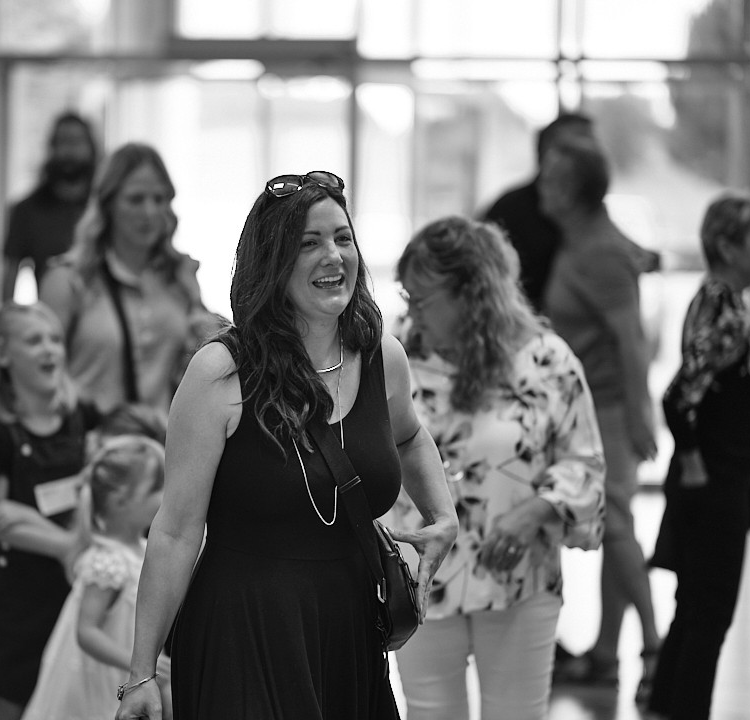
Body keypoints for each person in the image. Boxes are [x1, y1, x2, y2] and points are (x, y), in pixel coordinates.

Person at [114, 171, 459, 720]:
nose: (333, 256)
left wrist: (444, 515)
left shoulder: (380, 355)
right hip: (244, 630)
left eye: (343, 238)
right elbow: (176, 531)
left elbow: (410, 434)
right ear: (271, 262)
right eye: (309, 243)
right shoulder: (220, 373)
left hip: (350, 629)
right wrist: (141, 673)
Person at [388, 216, 606, 720]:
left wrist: (536, 511)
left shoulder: (547, 361)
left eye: (422, 299)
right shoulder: (396, 356)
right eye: (407, 298)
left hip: (519, 580)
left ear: (471, 295)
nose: (411, 312)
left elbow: (586, 462)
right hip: (421, 575)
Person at [646, 192, 750, 720]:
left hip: (711, 483)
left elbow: (713, 388)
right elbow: (679, 396)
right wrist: (697, 463)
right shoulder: (727, 316)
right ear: (728, 246)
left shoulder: (717, 301)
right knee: (710, 616)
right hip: (715, 487)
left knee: (693, 610)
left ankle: (664, 706)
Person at [539, 137, 662, 699]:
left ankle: (655, 646)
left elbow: (631, 339)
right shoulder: (586, 239)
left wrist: (639, 416)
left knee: (614, 525)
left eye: (551, 178)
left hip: (609, 409)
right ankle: (608, 654)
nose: (542, 187)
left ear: (574, 191)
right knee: (615, 528)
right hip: (588, 408)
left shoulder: (600, 252)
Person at [0, 301, 101, 720]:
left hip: (69, 584)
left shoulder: (82, 417)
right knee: (16, 697)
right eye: (35, 340)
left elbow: (97, 484)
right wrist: (65, 544)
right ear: (3, 355)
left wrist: (33, 523)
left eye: (55, 339)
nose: (50, 349)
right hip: (15, 591)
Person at [38, 142, 218, 416]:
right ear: (108, 205)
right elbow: (40, 375)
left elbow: (207, 358)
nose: (149, 212)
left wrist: (195, 299)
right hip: (89, 436)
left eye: (159, 199)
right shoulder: (69, 279)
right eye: (136, 199)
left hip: (162, 437)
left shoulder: (178, 277)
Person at [23, 435, 172, 720]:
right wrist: (137, 666)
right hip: (101, 677)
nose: (166, 494)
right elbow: (86, 631)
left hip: (128, 670)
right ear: (121, 501)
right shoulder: (107, 561)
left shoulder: (144, 549)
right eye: (157, 487)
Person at [482, 113, 659, 311]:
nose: (594, 151)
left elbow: (625, 253)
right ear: (549, 152)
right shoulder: (512, 210)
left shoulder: (591, 220)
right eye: (582, 142)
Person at [1, 112, 98, 302]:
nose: (70, 151)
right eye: (63, 142)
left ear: (91, 148)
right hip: (51, 313)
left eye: (77, 142)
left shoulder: (105, 207)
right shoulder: (26, 210)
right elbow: (9, 277)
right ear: (51, 148)